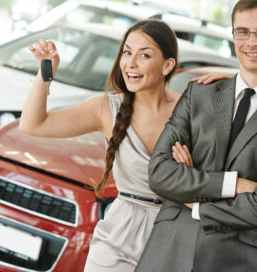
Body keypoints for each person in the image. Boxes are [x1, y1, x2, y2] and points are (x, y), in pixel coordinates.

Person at [19, 19, 228, 271]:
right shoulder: (106, 109)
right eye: (127, 52)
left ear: (167, 65)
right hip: (115, 242)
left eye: (144, 55)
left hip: (174, 240)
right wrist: (46, 70)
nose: (131, 63)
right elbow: (33, 124)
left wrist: (237, 86)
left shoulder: (194, 110)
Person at [136, 0, 257, 272]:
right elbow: (161, 173)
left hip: (236, 259)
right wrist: (234, 185)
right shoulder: (200, 93)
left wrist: (196, 200)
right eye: (243, 32)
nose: (252, 41)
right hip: (168, 250)